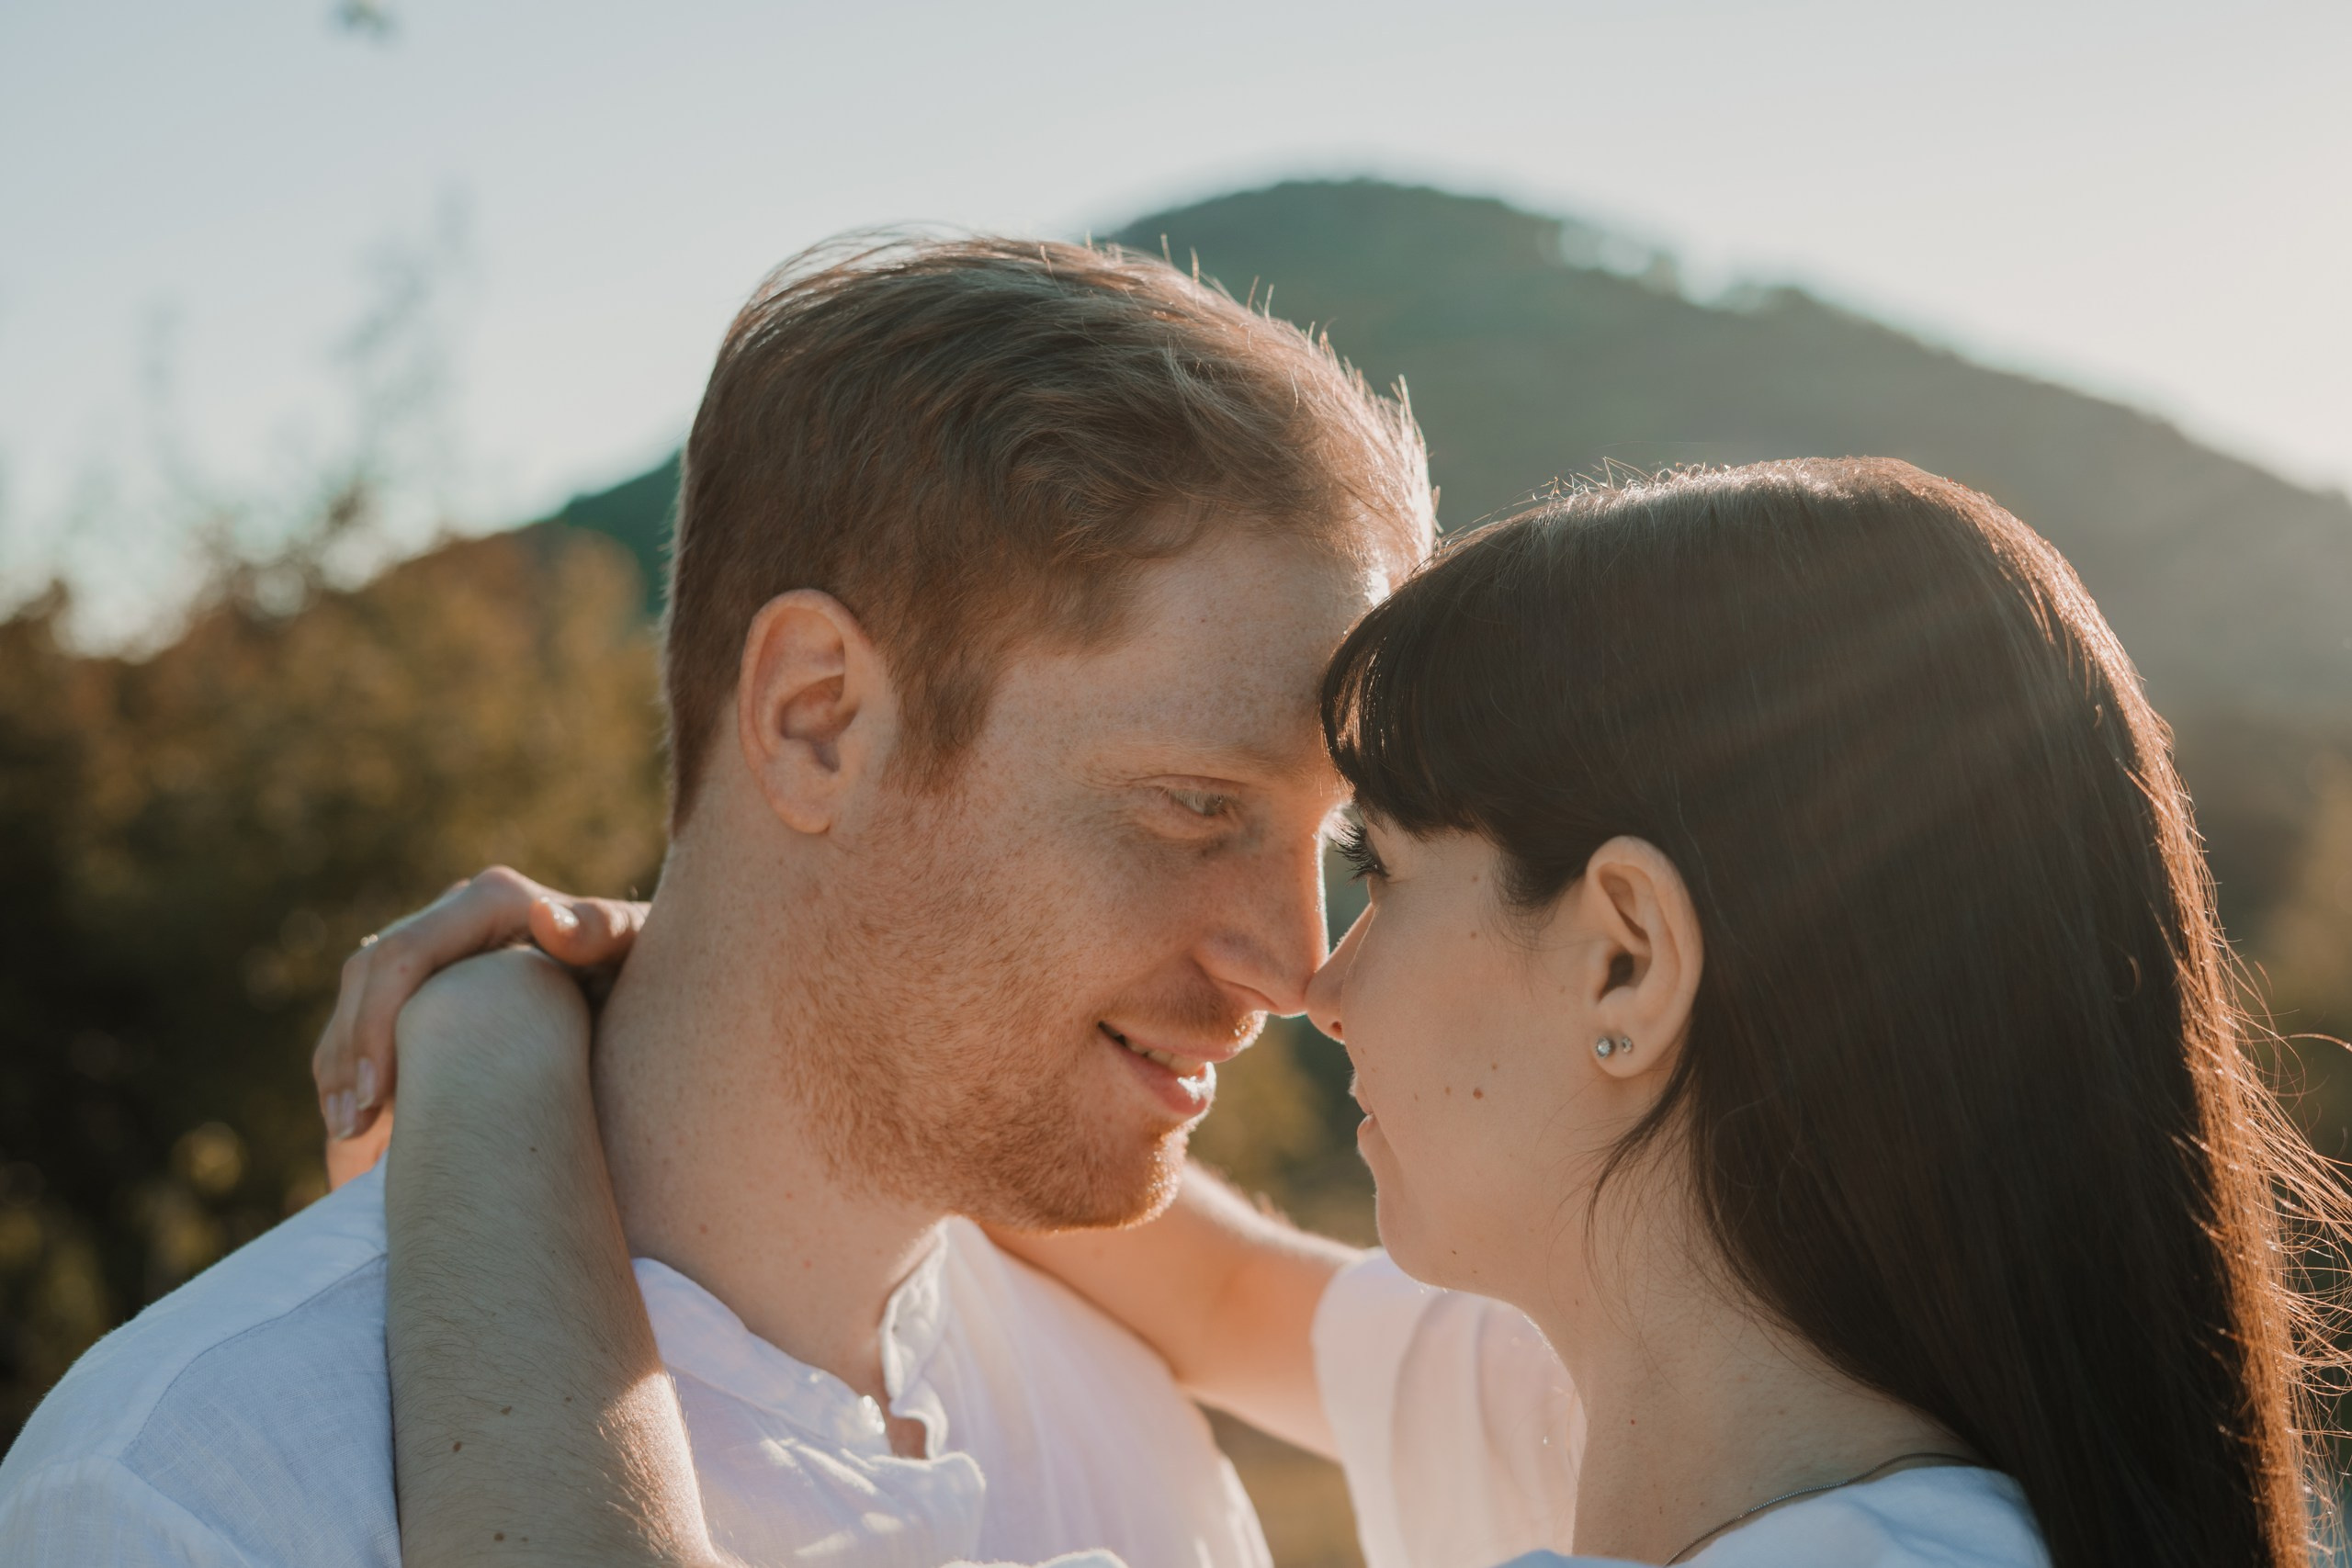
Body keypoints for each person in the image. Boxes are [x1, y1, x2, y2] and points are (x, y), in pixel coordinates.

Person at [326, 459, 2344, 1568]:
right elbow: (1188, 1279)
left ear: (1622, 959)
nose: (1310, 973)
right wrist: (682, 951)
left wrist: (495, 1052)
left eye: (1374, 863)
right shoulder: (1608, 1402)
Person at [0, 235, 1433, 1567]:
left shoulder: (1148, 1459)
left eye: (1330, 844)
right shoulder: (194, 1495)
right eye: (1197, 806)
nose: (1294, 968)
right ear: (816, 720)